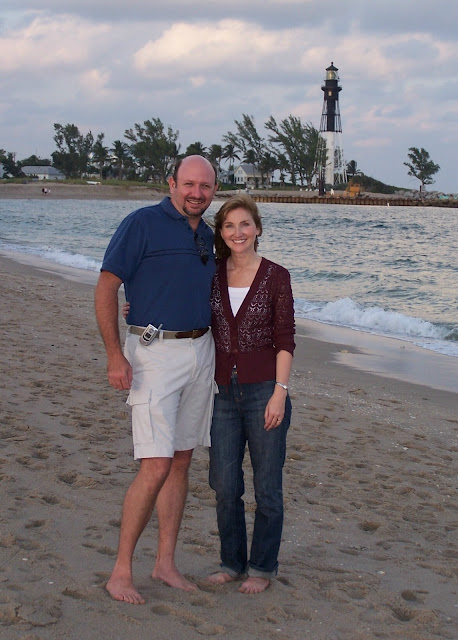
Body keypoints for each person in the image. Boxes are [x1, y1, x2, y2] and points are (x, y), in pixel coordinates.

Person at [94, 155, 219, 605]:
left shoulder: (208, 235)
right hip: (153, 353)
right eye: (189, 184)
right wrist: (114, 355)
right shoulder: (142, 223)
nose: (196, 193)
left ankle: (165, 562)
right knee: (155, 464)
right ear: (172, 183)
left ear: (213, 189)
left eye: (205, 186)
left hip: (201, 352)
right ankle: (121, 571)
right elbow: (108, 285)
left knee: (182, 460)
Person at [207, 194, 295, 594]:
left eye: (245, 224)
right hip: (223, 392)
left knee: (267, 487)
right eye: (229, 226)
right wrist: (135, 309)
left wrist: (280, 392)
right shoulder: (211, 273)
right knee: (225, 485)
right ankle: (231, 562)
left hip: (265, 392)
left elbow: (285, 339)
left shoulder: (277, 276)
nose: (237, 232)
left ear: (257, 229)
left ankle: (261, 568)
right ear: (221, 233)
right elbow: (185, 308)